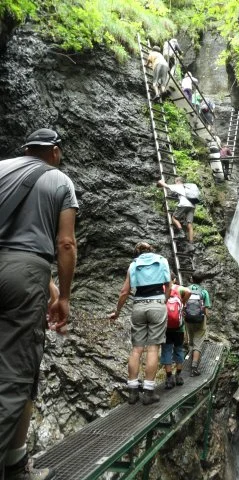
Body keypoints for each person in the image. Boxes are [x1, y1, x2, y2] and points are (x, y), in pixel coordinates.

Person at [0, 128, 78, 479]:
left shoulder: (3, 169)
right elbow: (64, 243)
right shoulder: (60, 181)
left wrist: (46, 287)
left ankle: (16, 464)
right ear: (55, 152)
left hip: (18, 267)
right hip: (25, 274)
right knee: (16, 374)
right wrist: (62, 296)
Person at [110, 242, 171, 406]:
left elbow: (124, 292)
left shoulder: (133, 265)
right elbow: (169, 286)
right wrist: (162, 301)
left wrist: (117, 312)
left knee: (136, 350)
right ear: (152, 249)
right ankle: (149, 392)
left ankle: (132, 392)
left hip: (138, 307)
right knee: (153, 348)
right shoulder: (162, 260)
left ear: (136, 253)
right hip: (157, 304)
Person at [161, 272, 191, 389]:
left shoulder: (162, 288)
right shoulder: (179, 288)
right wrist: (183, 302)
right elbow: (189, 291)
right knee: (178, 349)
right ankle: (178, 376)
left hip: (165, 327)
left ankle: (169, 378)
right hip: (179, 327)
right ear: (174, 280)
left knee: (167, 350)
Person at [156, 177, 198, 249]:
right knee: (189, 224)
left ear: (178, 181)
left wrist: (161, 181)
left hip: (183, 204)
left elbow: (164, 185)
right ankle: (191, 243)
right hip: (192, 206)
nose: (175, 183)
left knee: (174, 217)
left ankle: (181, 232)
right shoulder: (190, 186)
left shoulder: (179, 186)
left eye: (175, 182)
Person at [185, 272, 211, 377]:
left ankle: (188, 363)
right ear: (202, 281)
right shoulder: (204, 292)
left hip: (188, 319)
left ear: (191, 279)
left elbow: (182, 304)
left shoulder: (185, 290)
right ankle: (194, 368)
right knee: (198, 343)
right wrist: (208, 318)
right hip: (200, 319)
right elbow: (205, 308)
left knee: (191, 341)